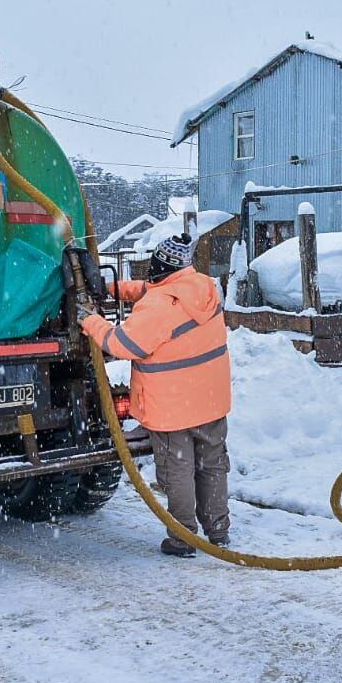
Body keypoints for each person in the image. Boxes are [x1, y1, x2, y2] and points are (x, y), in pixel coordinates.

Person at [78, 233, 232, 558]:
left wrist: (89, 320)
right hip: (210, 401)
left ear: (160, 265)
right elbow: (155, 291)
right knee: (212, 465)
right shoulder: (202, 287)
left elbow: (122, 344)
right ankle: (218, 531)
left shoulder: (159, 306)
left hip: (172, 408)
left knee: (177, 472)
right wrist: (111, 288)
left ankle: (184, 538)